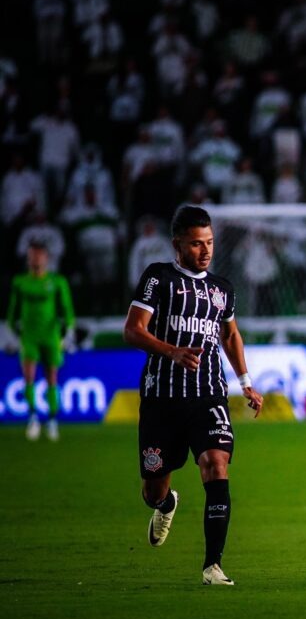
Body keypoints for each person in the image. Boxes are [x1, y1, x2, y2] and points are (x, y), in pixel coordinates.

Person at [122, 205, 264, 585]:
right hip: (162, 398)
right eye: (197, 244)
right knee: (153, 490)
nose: (205, 251)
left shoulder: (222, 290)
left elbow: (230, 335)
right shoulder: (159, 278)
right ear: (178, 244)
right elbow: (133, 330)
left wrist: (246, 380)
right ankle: (165, 505)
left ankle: (212, 565)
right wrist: (171, 351)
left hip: (208, 394)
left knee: (216, 464)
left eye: (210, 242)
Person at [6, 241, 75, 442]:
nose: (36, 259)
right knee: (28, 376)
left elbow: (66, 309)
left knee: (52, 377)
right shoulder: (20, 282)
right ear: (28, 258)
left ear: (46, 258)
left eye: (39, 255)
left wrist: (68, 332)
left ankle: (52, 420)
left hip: (51, 335)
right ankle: (33, 418)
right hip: (29, 336)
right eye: (32, 255)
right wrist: (12, 334)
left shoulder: (57, 282)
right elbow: (13, 310)